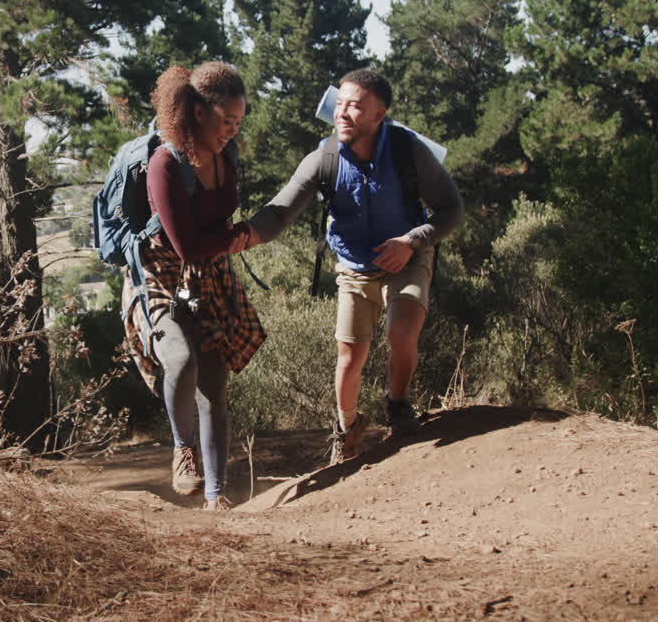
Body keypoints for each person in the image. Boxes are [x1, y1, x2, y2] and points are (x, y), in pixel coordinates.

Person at [247, 68, 463, 465]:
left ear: (379, 114)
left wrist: (411, 241)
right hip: (353, 266)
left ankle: (397, 405)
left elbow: (452, 210)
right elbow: (279, 213)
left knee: (401, 334)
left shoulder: (407, 151)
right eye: (340, 104)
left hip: (408, 256)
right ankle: (347, 429)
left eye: (356, 107)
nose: (343, 114)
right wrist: (239, 236)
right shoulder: (324, 158)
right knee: (349, 356)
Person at [121, 61, 266, 511]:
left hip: (210, 273)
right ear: (199, 112)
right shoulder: (166, 163)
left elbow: (213, 233)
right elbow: (183, 245)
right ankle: (183, 447)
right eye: (226, 121)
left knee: (215, 383)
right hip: (160, 273)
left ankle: (216, 494)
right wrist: (238, 237)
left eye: (238, 122)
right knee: (181, 361)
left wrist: (232, 238)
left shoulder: (226, 158)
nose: (231, 131)